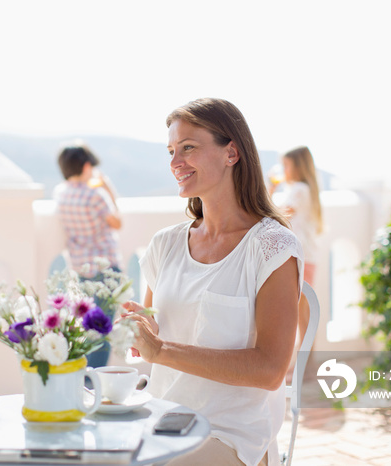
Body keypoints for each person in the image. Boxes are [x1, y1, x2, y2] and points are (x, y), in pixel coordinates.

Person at [122, 98, 303, 466]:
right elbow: (157, 335)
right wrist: (141, 331)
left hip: (230, 436)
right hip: (162, 421)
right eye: (172, 151)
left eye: (188, 148)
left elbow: (270, 370)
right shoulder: (166, 244)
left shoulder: (271, 247)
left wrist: (162, 351)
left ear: (231, 152)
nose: (175, 163)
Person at [54, 142, 122, 367]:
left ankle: (85, 381)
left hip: (81, 269)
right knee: (102, 331)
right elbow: (117, 222)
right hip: (105, 268)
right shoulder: (96, 195)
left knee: (88, 328)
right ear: (85, 167)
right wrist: (109, 189)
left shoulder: (61, 194)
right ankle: (95, 383)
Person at [269, 146, 323, 345]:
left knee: (302, 313)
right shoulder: (301, 190)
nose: (283, 171)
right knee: (302, 312)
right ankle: (304, 365)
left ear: (298, 167)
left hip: (303, 257)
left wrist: (269, 189)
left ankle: (305, 366)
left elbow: (279, 215)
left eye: (286, 165)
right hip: (306, 256)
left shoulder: (299, 190)